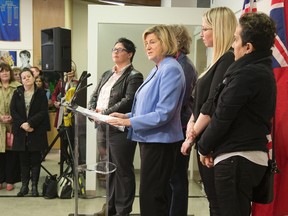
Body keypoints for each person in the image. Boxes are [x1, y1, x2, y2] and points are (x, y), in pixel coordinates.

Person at [195, 12, 277, 216]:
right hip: (243, 157)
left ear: (248, 47)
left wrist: (203, 147)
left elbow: (222, 115)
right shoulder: (259, 70)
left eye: (235, 40)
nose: (233, 46)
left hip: (237, 159)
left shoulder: (247, 74)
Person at [106, 25, 186, 216]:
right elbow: (146, 108)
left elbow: (163, 113)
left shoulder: (171, 69)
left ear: (165, 42)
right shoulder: (157, 69)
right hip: (151, 140)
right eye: (146, 43)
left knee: (152, 197)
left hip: (161, 142)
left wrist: (129, 123)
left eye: (153, 42)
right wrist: (127, 116)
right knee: (153, 195)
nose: (147, 47)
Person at [181, 7, 237, 216]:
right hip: (203, 139)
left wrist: (192, 134)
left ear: (220, 29)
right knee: (213, 201)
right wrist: (191, 126)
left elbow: (212, 105)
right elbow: (199, 103)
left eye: (206, 29)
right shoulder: (216, 61)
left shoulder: (228, 60)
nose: (202, 33)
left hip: (213, 143)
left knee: (219, 204)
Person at [88, 37, 143, 216]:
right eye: (114, 49)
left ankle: (122, 210)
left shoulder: (135, 76)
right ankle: (110, 208)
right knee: (109, 169)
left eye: (120, 49)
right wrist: (91, 110)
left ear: (130, 54)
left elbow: (128, 101)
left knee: (122, 170)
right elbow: (95, 94)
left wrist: (103, 113)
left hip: (120, 128)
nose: (115, 52)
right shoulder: (107, 74)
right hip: (103, 127)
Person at [167, 24, 197, 216]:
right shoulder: (173, 62)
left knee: (177, 179)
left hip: (180, 128)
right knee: (171, 178)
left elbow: (176, 101)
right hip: (174, 127)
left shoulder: (184, 65)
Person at [10, 68, 50, 197]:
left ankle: (34, 187)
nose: (27, 79)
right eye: (24, 77)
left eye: (29, 76)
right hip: (21, 132)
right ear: (21, 80)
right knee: (23, 161)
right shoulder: (17, 93)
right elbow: (13, 111)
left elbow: (43, 112)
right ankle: (24, 186)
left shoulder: (41, 93)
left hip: (36, 131)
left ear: (33, 78)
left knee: (35, 161)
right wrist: (23, 124)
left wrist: (30, 123)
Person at [0, 62, 22, 191]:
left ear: (10, 73)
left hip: (14, 125)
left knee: (12, 154)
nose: (4, 73)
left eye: (7, 71)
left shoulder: (18, 87)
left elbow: (23, 107)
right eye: (1, 71)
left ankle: (10, 180)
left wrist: (14, 117)